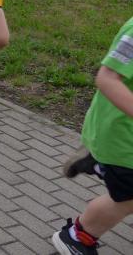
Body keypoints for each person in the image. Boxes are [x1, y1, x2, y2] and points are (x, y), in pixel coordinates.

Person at [53, 16, 133, 255]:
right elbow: (107, 78)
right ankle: (77, 237)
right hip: (121, 138)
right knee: (128, 197)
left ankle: (95, 160)